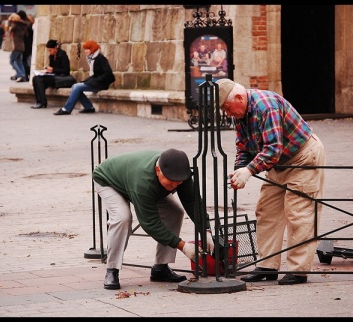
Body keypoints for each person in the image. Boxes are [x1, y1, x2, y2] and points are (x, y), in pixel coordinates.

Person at [216, 78, 325, 285]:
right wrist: (240, 169)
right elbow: (243, 146)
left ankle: (298, 270)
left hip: (302, 156)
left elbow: (273, 149)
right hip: (277, 162)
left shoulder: (266, 106)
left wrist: (249, 171)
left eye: (228, 108)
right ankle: (267, 265)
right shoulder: (240, 112)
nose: (228, 114)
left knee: (298, 211)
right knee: (266, 209)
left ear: (239, 97)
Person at [92, 149, 214, 290]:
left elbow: (192, 202)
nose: (174, 186)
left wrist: (206, 230)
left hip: (139, 184)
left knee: (175, 212)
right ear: (158, 170)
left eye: (178, 183)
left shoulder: (181, 173)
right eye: (171, 183)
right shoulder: (144, 182)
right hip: (108, 180)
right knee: (122, 217)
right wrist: (182, 246)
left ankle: (160, 268)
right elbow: (149, 222)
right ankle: (112, 270)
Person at [54, 40, 115, 115]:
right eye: (85, 49)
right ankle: (88, 107)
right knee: (75, 86)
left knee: (77, 87)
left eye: (87, 49)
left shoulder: (100, 58)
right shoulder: (91, 58)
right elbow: (94, 74)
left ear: (93, 49)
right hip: (95, 82)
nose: (85, 51)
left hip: (101, 84)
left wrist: (96, 80)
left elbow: (108, 73)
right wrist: (86, 81)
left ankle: (66, 109)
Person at [30, 39, 71, 109]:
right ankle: (39, 101)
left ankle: (42, 102)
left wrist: (53, 69)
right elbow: (52, 69)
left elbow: (66, 70)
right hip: (53, 76)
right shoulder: (51, 56)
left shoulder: (62, 55)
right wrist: (47, 71)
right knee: (35, 78)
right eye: (48, 50)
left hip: (60, 78)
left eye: (50, 50)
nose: (49, 52)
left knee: (40, 80)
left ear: (55, 48)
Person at [8, 13, 28, 82]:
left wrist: (9, 21)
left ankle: (20, 74)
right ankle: (23, 76)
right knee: (19, 61)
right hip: (22, 46)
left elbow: (9, 30)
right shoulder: (23, 25)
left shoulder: (15, 25)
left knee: (12, 61)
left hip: (16, 46)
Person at [17, 10, 34, 80]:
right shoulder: (27, 24)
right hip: (28, 45)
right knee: (25, 60)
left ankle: (29, 73)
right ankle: (26, 76)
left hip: (25, 45)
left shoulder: (23, 25)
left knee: (23, 61)